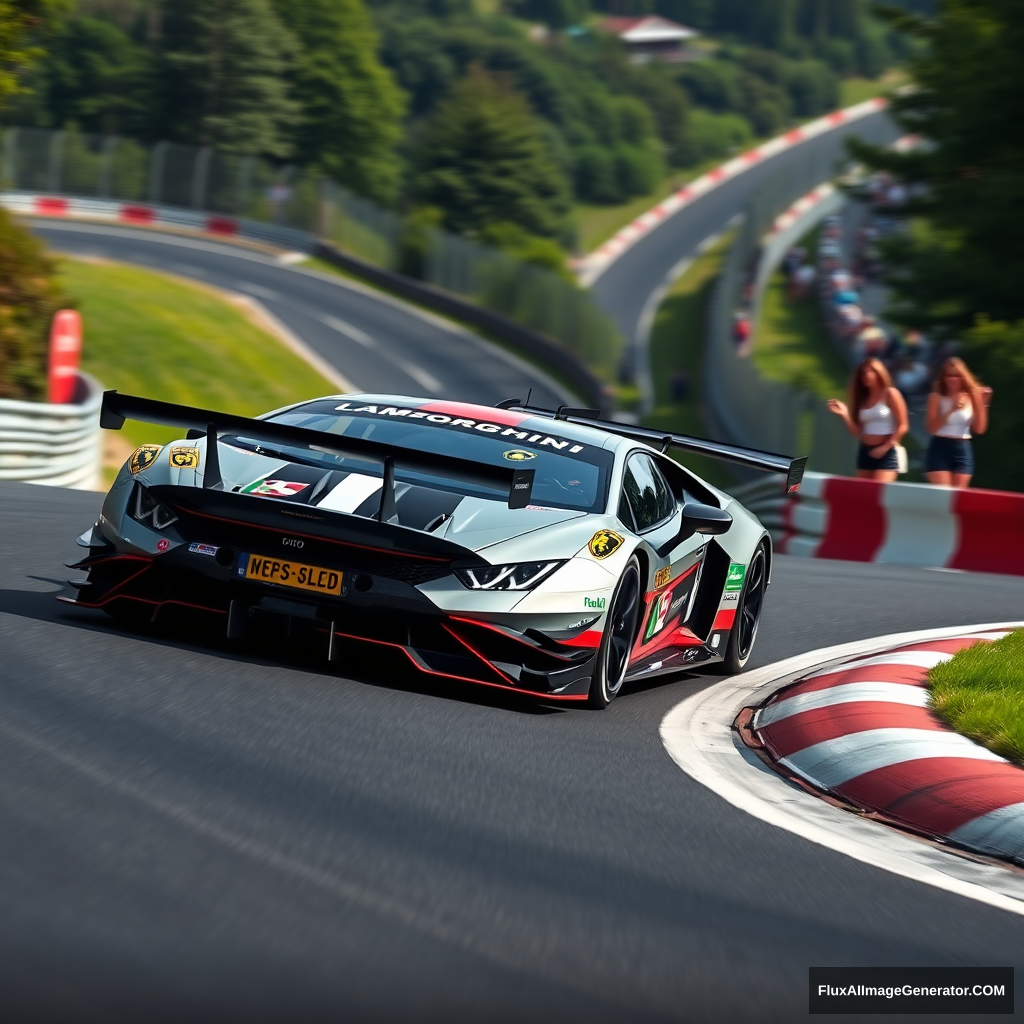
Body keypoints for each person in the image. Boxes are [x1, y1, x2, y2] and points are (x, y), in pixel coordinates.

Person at [826, 358, 909, 481]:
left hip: (887, 452)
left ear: (879, 373)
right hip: (865, 452)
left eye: (871, 372)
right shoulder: (862, 399)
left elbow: (903, 426)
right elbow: (857, 432)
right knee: (861, 495)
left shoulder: (890, 393)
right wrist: (844, 414)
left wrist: (885, 447)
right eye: (863, 373)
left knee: (878, 492)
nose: (866, 376)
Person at [924, 357, 993, 489]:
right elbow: (931, 428)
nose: (952, 379)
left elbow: (979, 429)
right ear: (943, 377)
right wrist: (951, 409)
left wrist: (983, 405)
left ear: (963, 377)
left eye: (956, 375)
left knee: (958, 496)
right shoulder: (936, 397)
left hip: (962, 447)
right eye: (948, 375)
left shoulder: (972, 397)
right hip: (940, 447)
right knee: (943, 496)